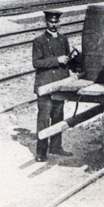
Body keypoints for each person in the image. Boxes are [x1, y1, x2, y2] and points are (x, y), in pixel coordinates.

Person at [32, 9, 74, 162]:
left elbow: (68, 62)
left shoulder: (63, 39)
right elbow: (36, 63)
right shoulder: (39, 41)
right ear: (46, 22)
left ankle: (56, 147)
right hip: (45, 85)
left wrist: (73, 61)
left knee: (58, 117)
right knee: (43, 120)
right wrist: (57, 60)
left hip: (59, 85)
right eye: (51, 22)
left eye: (56, 22)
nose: (54, 25)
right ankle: (41, 152)